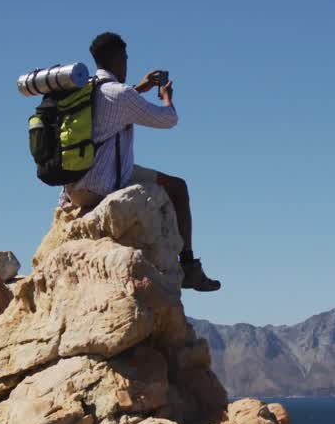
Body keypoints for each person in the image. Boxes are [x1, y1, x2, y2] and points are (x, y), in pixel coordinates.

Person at [62, 31, 221, 292]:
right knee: (178, 187)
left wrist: (139, 88)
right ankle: (189, 267)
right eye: (125, 58)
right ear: (118, 59)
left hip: (74, 187)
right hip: (103, 184)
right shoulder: (121, 93)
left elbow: (109, 111)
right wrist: (166, 96)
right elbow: (168, 119)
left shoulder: (85, 89)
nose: (127, 63)